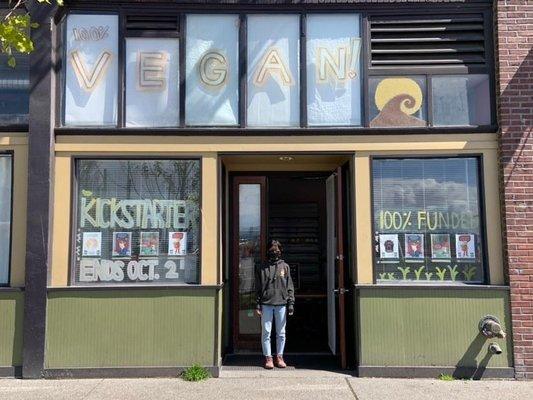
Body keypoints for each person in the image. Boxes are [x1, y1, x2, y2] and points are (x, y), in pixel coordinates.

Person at [255, 239, 295, 369]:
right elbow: (258, 287)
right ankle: (268, 358)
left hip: (282, 303)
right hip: (266, 303)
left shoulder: (285, 267)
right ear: (268, 251)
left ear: (281, 251)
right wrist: (257, 304)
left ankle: (279, 356)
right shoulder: (262, 267)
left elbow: (290, 286)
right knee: (266, 332)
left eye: (277, 250)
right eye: (272, 251)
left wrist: (291, 303)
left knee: (281, 333)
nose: (275, 253)